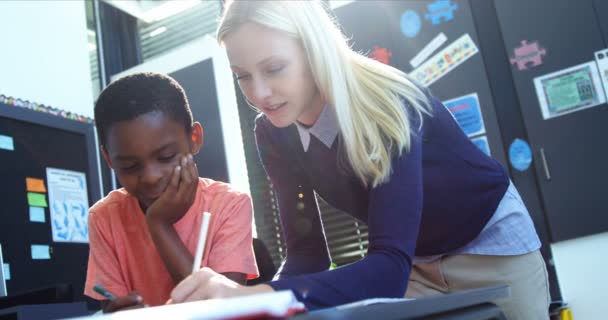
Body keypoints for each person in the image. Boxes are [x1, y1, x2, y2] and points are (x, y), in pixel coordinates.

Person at [169, 1, 550, 319]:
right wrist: (258, 301)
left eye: (273, 68)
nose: (260, 93)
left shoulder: (386, 102)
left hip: (489, 249)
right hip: (412, 265)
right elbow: (307, 253)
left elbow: (386, 272)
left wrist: (250, 295)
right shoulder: (272, 133)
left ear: (313, 49)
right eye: (243, 76)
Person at [84, 72, 258, 312]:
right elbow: (113, 306)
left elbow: (220, 310)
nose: (151, 176)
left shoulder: (229, 204)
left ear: (194, 138)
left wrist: (159, 224)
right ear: (109, 159)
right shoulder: (104, 217)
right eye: (130, 166)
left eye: (166, 157)